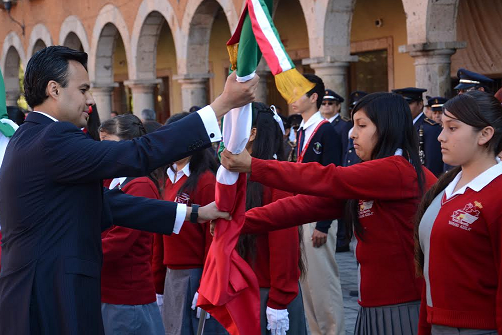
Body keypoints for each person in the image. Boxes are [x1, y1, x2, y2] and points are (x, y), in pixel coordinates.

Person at [0, 45, 258, 335]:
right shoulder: (53, 138)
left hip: (39, 288)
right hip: (51, 291)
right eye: (83, 89)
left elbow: (108, 204)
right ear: (54, 90)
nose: (90, 100)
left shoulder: (29, 136)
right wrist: (222, 105)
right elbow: (138, 154)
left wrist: (194, 213)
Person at [220, 92, 438, 335]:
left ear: (387, 127)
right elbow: (304, 206)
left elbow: (329, 178)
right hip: (376, 302)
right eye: (353, 124)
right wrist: (238, 222)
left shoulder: (397, 170)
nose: (352, 134)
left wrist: (255, 166)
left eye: (362, 125)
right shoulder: (377, 173)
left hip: (401, 305)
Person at [415, 91, 502, 335]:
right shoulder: (445, 187)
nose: (441, 137)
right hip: (438, 324)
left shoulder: (497, 194)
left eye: (452, 128)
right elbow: (431, 269)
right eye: (442, 127)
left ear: (484, 134)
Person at [151, 112, 226, 335]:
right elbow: (160, 231)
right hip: (171, 272)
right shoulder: (166, 178)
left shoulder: (205, 180)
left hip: (195, 274)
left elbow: (213, 237)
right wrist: (158, 281)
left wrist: (207, 283)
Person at [237, 102, 307, 335]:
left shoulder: (275, 179)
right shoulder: (235, 175)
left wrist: (279, 300)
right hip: (242, 289)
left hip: (268, 291)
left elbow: (284, 244)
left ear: (252, 134)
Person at [287, 73, 345, 335]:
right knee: (307, 285)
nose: (292, 97)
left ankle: (333, 332)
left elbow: (333, 179)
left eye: (298, 91)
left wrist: (324, 223)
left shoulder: (326, 131)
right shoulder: (302, 130)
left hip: (318, 217)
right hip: (300, 212)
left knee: (323, 285)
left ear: (314, 97)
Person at [98, 114, 165, 335]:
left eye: (109, 145)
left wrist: (79, 250)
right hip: (107, 289)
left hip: (127, 295)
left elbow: (119, 240)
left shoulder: (141, 185)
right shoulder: (110, 179)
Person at [320, 89, 352, 252]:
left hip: (339, 168)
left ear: (338, 107)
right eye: (324, 103)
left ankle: (342, 239)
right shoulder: (321, 125)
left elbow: (347, 150)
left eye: (330, 103)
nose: (326, 106)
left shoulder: (344, 125)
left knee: (341, 207)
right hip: (325, 171)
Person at [393, 87, 443, 176]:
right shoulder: (400, 127)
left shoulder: (430, 129)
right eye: (400, 104)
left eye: (408, 103)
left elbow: (432, 166)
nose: (403, 108)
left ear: (420, 104)